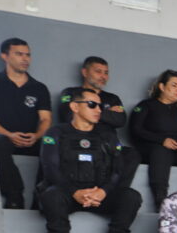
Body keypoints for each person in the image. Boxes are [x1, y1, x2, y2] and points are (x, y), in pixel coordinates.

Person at [39, 87, 141, 233]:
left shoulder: (107, 135)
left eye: (100, 106)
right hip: (68, 193)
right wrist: (74, 192)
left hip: (98, 194)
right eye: (92, 105)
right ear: (74, 107)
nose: (99, 110)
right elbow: (50, 168)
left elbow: (118, 169)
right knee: (50, 196)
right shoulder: (56, 132)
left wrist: (103, 191)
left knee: (131, 197)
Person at [57, 56, 140, 189]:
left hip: (106, 145)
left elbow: (120, 120)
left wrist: (87, 111)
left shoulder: (112, 98)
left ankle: (115, 193)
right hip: (79, 143)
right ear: (85, 72)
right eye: (98, 71)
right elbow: (68, 115)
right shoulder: (71, 93)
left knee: (131, 154)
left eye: (106, 72)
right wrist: (107, 112)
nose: (103, 76)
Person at [130, 70, 177, 210]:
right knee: (161, 151)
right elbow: (135, 130)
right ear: (162, 87)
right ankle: (161, 202)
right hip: (156, 149)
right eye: (174, 85)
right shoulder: (146, 105)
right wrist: (162, 140)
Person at [0, 37, 52, 209]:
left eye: (28, 55)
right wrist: (9, 134)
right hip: (4, 139)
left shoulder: (39, 88)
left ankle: (40, 201)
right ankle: (15, 197)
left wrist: (37, 135)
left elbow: (45, 119)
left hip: (31, 141)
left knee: (53, 144)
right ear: (4, 56)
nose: (25, 59)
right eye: (19, 54)